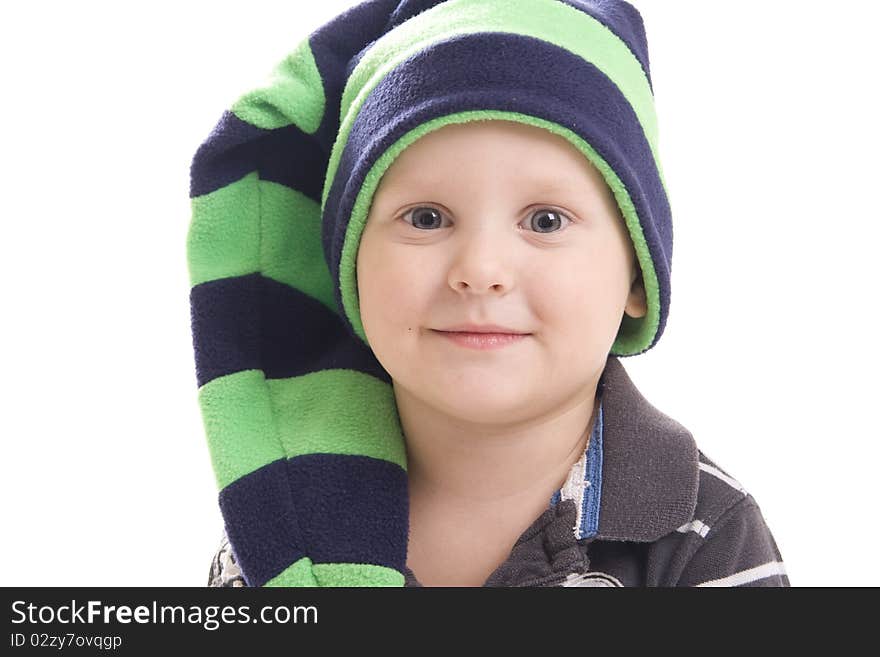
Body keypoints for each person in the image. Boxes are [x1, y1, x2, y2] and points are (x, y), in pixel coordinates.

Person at [189, 0, 789, 587]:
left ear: (638, 275)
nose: (480, 269)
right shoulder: (279, 518)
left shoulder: (706, 535)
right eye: (425, 218)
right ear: (348, 269)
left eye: (546, 221)